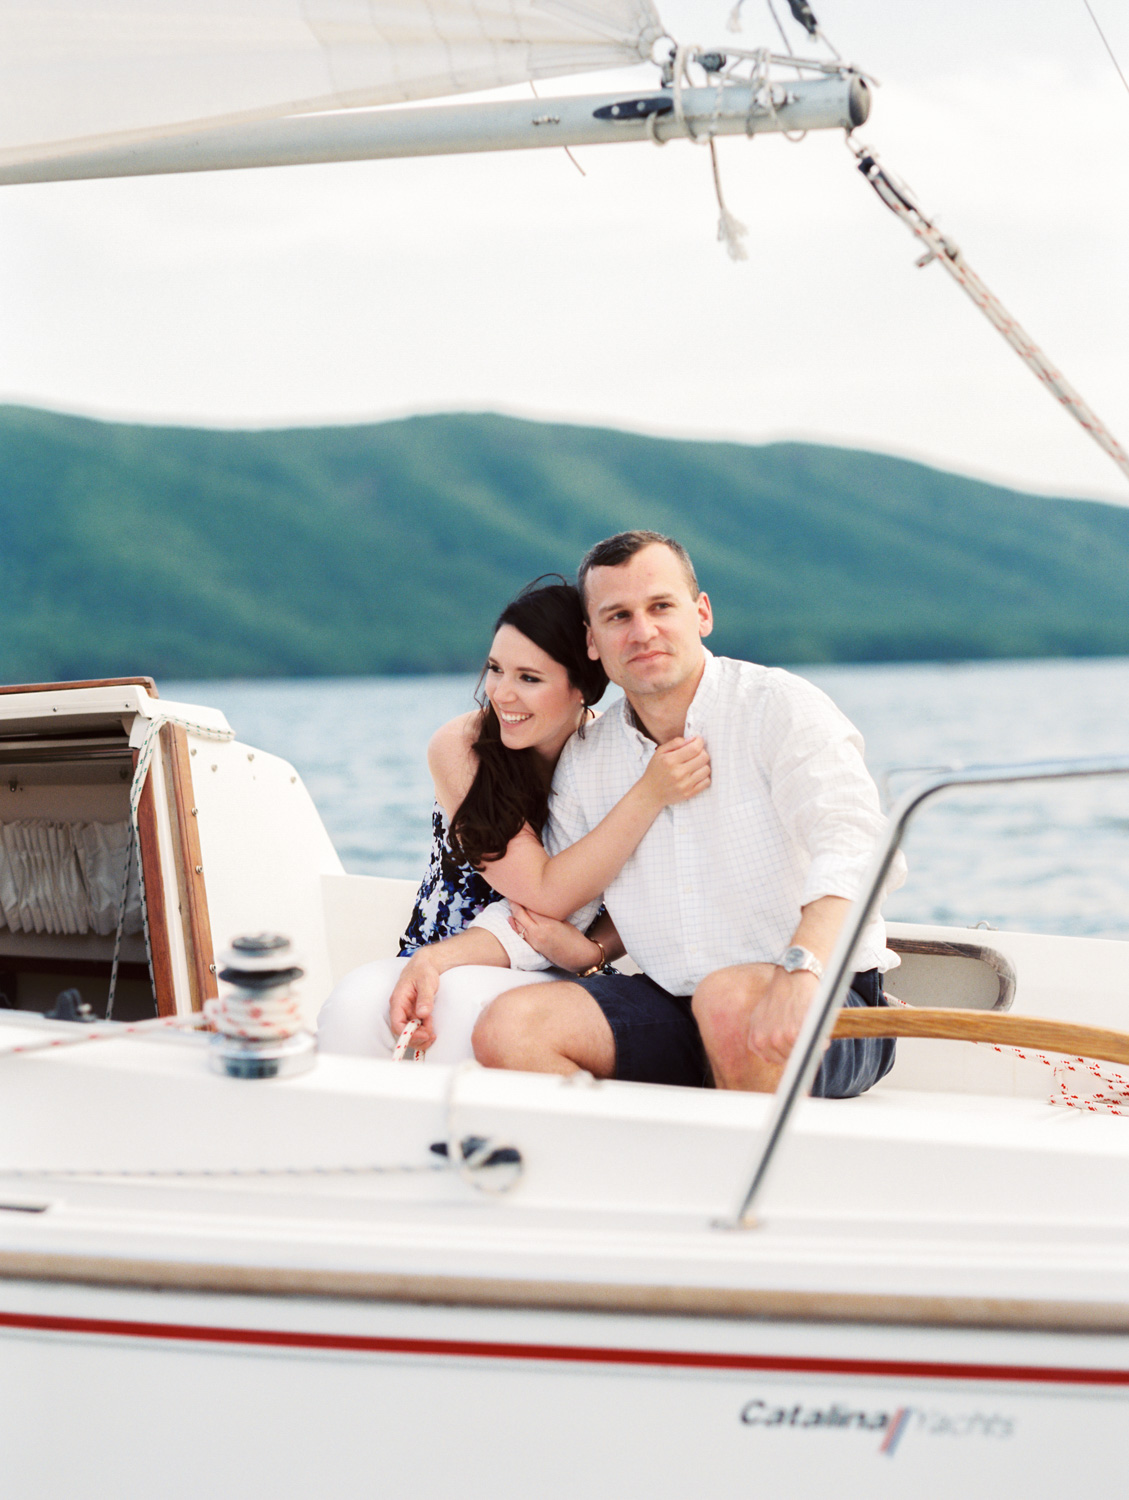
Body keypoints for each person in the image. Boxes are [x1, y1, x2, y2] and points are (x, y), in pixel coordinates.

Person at [393, 530, 905, 1095]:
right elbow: (553, 911)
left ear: (701, 613)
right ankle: (639, 1166)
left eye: (660, 606)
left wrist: (802, 969)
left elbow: (858, 847)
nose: (643, 631)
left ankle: (734, 1175)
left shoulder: (777, 706)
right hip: (673, 1005)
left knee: (729, 1000)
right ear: (592, 641)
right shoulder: (589, 760)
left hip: (824, 999)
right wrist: (437, 960)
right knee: (511, 1027)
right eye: (617, 616)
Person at [317, 576, 710, 1061]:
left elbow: (654, 883)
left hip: (557, 965)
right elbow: (541, 890)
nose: (501, 694)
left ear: (581, 688)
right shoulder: (461, 747)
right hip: (444, 947)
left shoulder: (613, 759)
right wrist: (649, 794)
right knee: (352, 1009)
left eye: (529, 678)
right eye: (495, 669)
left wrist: (596, 951)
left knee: (460, 1016)